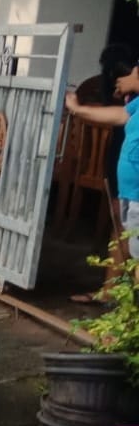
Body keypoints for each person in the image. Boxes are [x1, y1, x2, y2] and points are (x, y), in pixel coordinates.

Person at [65, 52, 139, 276]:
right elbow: (118, 115)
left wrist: (135, 82)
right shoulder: (134, 105)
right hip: (130, 193)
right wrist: (78, 109)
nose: (133, 72)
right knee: (134, 255)